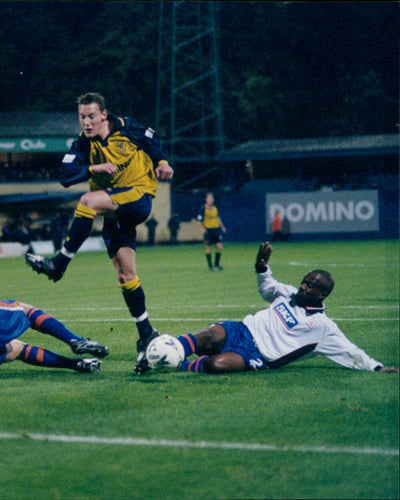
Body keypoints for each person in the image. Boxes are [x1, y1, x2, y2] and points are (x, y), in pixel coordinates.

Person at [24, 92, 174, 375]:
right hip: (116, 209)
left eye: (92, 116)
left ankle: (60, 263)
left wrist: (162, 162)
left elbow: (152, 141)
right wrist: (94, 167)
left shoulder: (127, 128)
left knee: (87, 202)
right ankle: (147, 335)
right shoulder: (82, 144)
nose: (87, 122)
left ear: (104, 115)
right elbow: (65, 175)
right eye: (82, 117)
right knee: (125, 274)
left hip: (138, 197)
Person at [166, 242, 398, 374]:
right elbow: (268, 288)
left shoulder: (323, 328)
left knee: (216, 365)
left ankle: (179, 366)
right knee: (211, 333)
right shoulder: (289, 293)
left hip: (257, 354)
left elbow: (349, 350)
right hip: (242, 329)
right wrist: (261, 268)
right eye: (304, 281)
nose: (302, 286)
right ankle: (167, 349)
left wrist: (376, 367)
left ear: (322, 294)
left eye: (310, 285)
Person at [196, 192, 226, 271]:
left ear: (213, 200)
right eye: (209, 198)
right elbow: (198, 221)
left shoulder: (215, 208)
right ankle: (210, 266)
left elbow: (217, 218)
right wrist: (202, 229)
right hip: (208, 230)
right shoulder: (203, 209)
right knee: (208, 247)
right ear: (206, 200)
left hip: (216, 229)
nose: (210, 200)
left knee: (219, 246)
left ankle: (216, 263)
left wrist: (222, 227)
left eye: (211, 198)